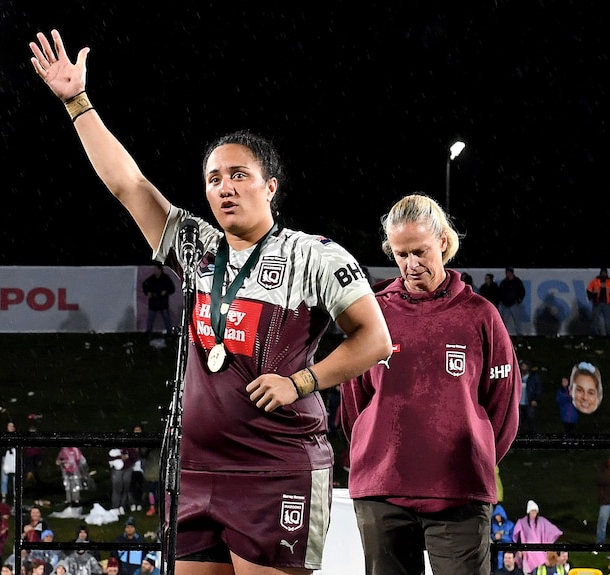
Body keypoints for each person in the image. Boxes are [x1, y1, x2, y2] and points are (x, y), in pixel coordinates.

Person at [28, 28, 393, 575]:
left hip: (278, 469)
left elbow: (376, 339)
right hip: (198, 470)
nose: (224, 187)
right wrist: (77, 102)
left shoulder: (314, 255)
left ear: (271, 187)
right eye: (214, 178)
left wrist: (301, 382)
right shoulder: (198, 247)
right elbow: (129, 185)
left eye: (239, 175)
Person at [340, 193, 520, 575]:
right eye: (401, 254)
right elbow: (354, 401)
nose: (411, 264)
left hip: (460, 491)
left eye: (420, 251)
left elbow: (503, 406)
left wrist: (475, 454)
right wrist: (377, 448)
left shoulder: (480, 316)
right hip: (381, 492)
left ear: (442, 241)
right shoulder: (373, 313)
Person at [512, 500, 563, 575]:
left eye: (535, 511)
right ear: (529, 511)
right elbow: (519, 535)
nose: (533, 513)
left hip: (540, 546)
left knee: (541, 555)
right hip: (528, 548)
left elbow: (550, 529)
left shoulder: (541, 521)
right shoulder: (522, 522)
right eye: (532, 511)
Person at [141, 262, 176, 335]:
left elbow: (172, 288)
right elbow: (144, 285)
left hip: (163, 302)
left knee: (166, 319)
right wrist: (148, 292)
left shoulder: (166, 278)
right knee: (150, 319)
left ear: (160, 270)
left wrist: (166, 292)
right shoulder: (151, 279)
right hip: (153, 302)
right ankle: (148, 333)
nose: (154, 271)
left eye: (156, 269)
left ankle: (169, 333)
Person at [586, 267, 610, 337]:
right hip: (597, 303)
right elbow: (589, 290)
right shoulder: (595, 281)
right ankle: (593, 335)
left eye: (604, 273)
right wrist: (591, 298)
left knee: (607, 321)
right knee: (595, 320)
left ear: (606, 273)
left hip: (607, 303)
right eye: (602, 272)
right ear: (600, 273)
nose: (603, 274)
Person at [498, 267, 527, 336]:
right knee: (503, 322)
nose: (507, 274)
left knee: (517, 321)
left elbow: (522, 291)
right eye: (506, 272)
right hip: (505, 305)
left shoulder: (517, 281)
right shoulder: (504, 282)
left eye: (508, 272)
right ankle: (503, 336)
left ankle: (519, 335)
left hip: (514, 304)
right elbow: (500, 292)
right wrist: (501, 300)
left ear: (511, 273)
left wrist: (519, 300)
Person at [517, 360, 542, 435]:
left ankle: (533, 436)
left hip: (530, 403)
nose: (522, 368)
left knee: (531, 420)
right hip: (520, 403)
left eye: (524, 366)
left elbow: (539, 389)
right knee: (519, 422)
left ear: (528, 367)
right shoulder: (518, 376)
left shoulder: (534, 377)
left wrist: (536, 400)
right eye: (522, 366)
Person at [491, 504, 514, 570]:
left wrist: (502, 537)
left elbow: (512, 539)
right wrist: (494, 537)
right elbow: (489, 536)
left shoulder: (510, 525)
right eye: (496, 516)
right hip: (495, 551)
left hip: (508, 549)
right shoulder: (493, 525)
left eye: (499, 515)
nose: (497, 517)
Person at [1, 421, 17, 504]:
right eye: (9, 426)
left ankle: (16, 493)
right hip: (6, 458)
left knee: (16, 477)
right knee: (4, 478)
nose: (11, 427)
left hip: (14, 459)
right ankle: (4, 494)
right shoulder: (3, 436)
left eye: (12, 426)